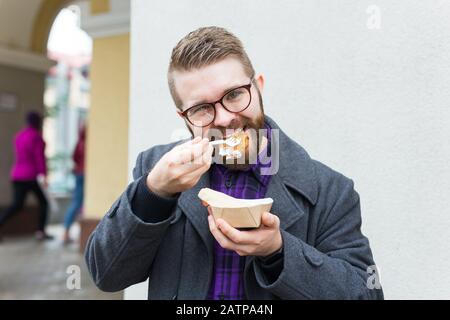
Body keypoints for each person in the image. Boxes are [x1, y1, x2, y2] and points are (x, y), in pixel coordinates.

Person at [85, 27, 384, 299]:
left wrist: (278, 251)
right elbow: (107, 275)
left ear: (259, 87)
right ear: (184, 118)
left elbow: (365, 294)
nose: (225, 118)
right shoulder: (155, 169)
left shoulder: (330, 190)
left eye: (234, 94)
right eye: (202, 108)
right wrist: (153, 193)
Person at [0, 111, 53, 241]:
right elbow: (39, 158)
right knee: (44, 203)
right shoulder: (36, 137)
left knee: (17, 205)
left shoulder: (19, 136)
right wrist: (44, 175)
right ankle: (40, 232)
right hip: (31, 176)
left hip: (17, 175)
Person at [62, 124, 86, 245]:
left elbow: (74, 158)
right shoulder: (90, 143)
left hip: (78, 174)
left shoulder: (80, 142)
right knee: (80, 204)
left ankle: (66, 232)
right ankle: (70, 233)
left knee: (77, 203)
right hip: (86, 174)